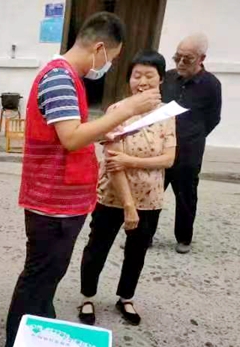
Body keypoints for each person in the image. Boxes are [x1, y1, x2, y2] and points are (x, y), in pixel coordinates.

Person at [5, 12, 162, 347]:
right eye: (112, 58)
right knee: (39, 277)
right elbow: (72, 138)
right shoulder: (60, 78)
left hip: (61, 202)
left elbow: (72, 132)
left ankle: (37, 334)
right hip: (52, 205)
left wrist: (106, 131)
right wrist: (126, 110)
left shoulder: (67, 77)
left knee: (47, 278)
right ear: (100, 48)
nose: (109, 66)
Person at [79, 50, 176, 326]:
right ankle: (87, 296)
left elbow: (168, 159)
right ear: (129, 79)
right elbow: (113, 162)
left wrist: (131, 160)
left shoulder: (167, 114)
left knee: (137, 252)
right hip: (112, 196)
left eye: (149, 76)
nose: (142, 82)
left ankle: (126, 297)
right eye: (137, 75)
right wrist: (128, 206)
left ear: (160, 80)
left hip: (150, 199)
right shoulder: (117, 111)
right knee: (97, 248)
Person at [157, 33, 222, 254]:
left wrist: (194, 135)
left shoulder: (212, 85)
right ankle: (143, 235)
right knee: (151, 193)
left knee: (186, 196)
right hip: (161, 149)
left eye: (188, 59)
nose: (181, 63)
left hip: (188, 152)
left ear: (202, 58)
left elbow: (213, 118)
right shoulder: (167, 78)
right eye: (178, 57)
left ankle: (184, 238)